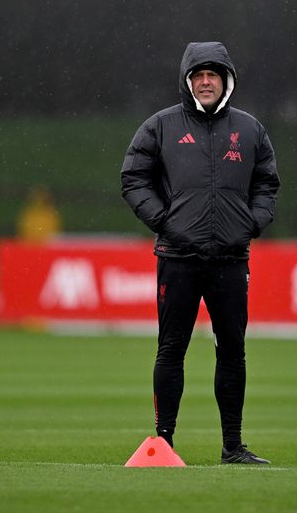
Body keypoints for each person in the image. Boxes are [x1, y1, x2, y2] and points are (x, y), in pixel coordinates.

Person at [120, 41, 280, 464]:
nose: (205, 81)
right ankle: (163, 444)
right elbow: (133, 178)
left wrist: (253, 222)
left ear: (226, 80)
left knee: (233, 350)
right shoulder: (160, 126)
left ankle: (233, 447)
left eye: (213, 74)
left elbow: (267, 183)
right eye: (198, 74)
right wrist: (165, 221)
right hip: (178, 257)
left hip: (231, 259)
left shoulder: (250, 130)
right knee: (171, 348)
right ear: (187, 80)